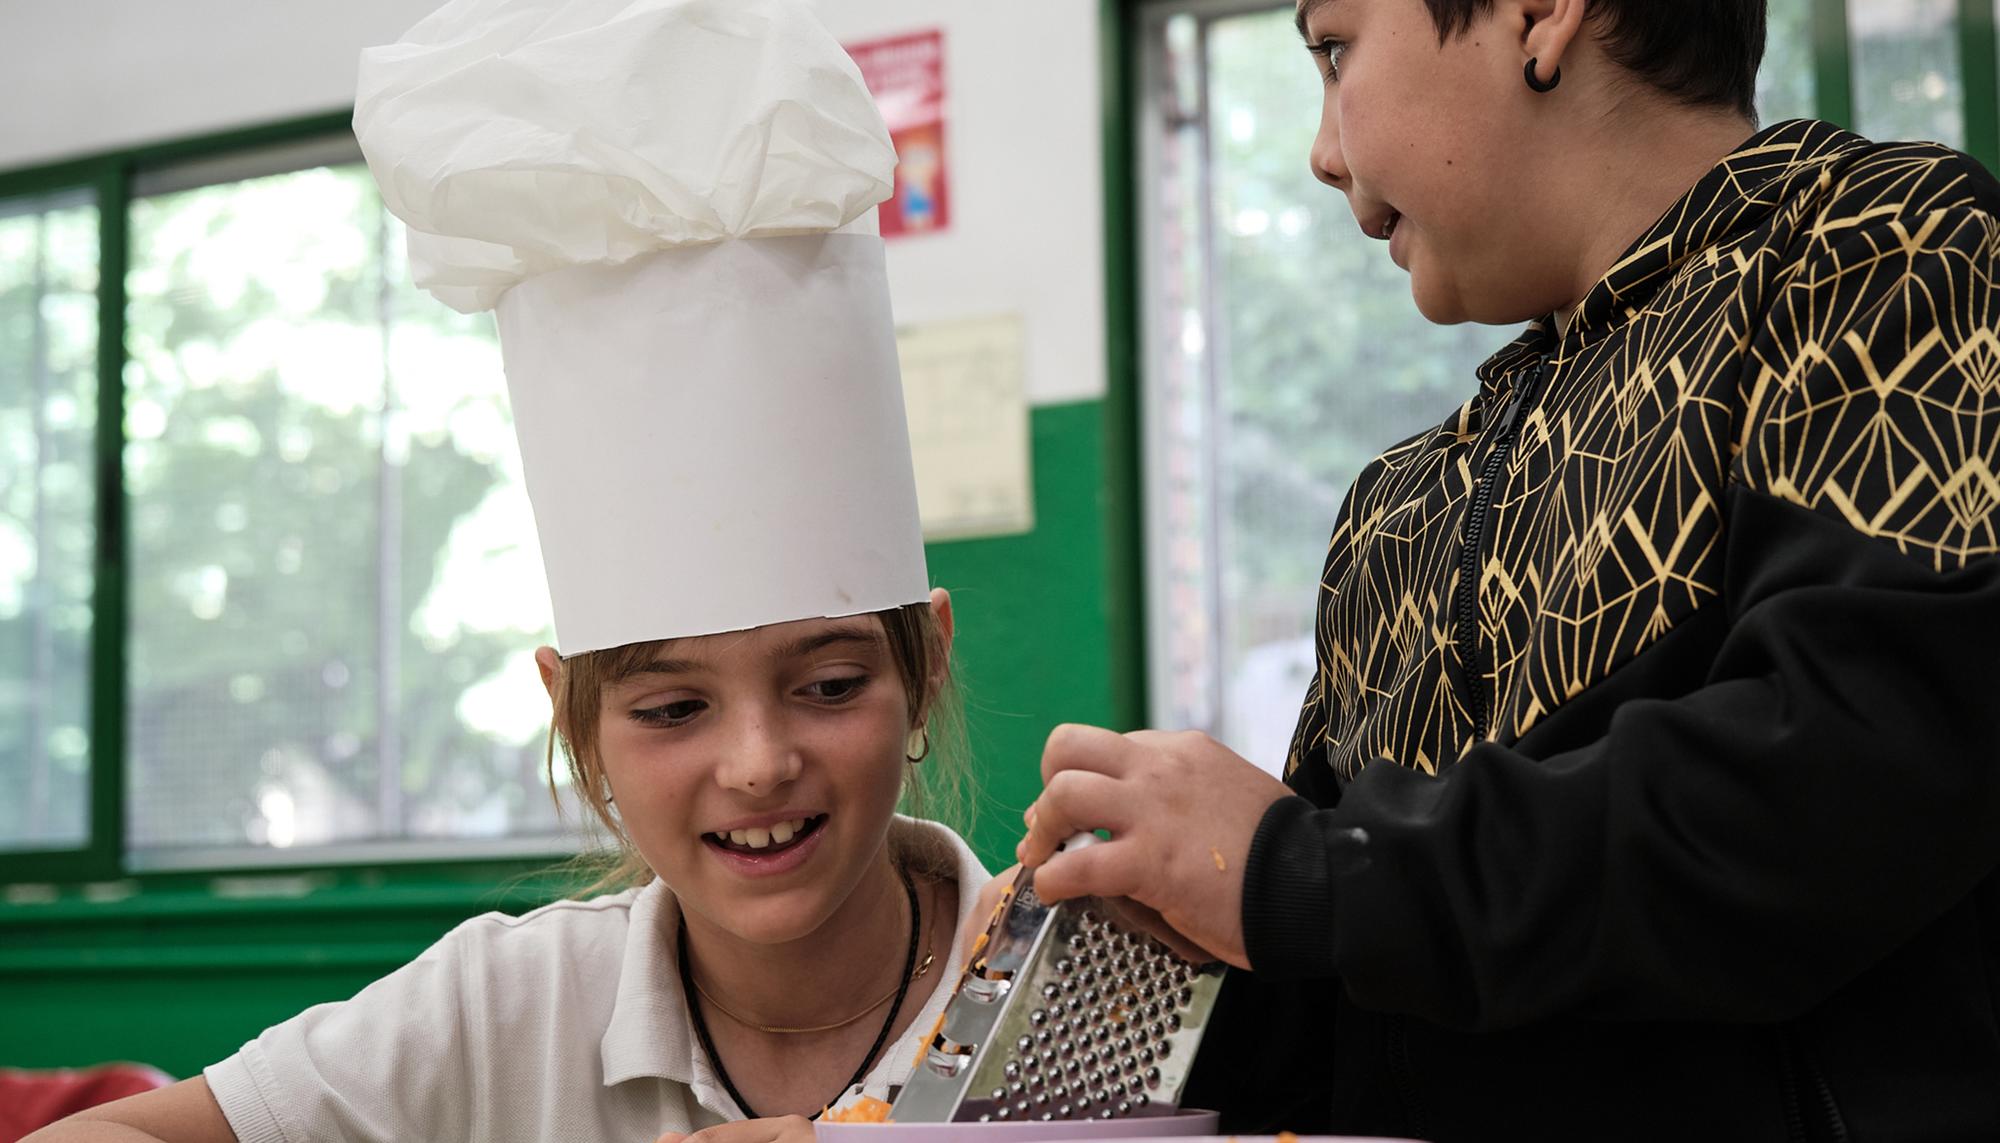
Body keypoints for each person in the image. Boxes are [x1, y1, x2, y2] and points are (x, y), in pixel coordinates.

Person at [1018, 0, 2000, 1138]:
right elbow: (1355, 995)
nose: (1321, 151)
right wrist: (1184, 922)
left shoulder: (1889, 250)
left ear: (1539, 15)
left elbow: (1845, 783)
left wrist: (1308, 869)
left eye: (1334, 51)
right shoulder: (1399, 505)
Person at [28, 1, 988, 1141]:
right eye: (673, 707)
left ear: (922, 664)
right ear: (578, 729)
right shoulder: (502, 1007)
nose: (757, 763)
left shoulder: (1081, 981)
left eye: (827, 687)